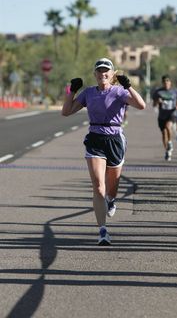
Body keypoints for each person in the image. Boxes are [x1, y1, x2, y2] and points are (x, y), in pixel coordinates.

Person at [62, 57, 146, 245]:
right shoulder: (89, 93)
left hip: (115, 139)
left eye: (106, 70)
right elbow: (66, 111)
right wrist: (72, 91)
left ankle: (112, 200)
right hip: (95, 138)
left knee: (112, 188)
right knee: (98, 185)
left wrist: (129, 86)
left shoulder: (119, 91)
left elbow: (141, 105)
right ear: (95, 74)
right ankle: (102, 230)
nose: (102, 73)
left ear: (112, 73)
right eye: (99, 70)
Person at [152, 75, 177, 161]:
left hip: (171, 113)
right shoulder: (158, 92)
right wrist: (157, 101)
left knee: (168, 127)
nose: (166, 83)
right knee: (164, 133)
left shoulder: (175, 91)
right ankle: (167, 150)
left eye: (168, 81)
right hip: (162, 115)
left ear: (170, 82)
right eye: (164, 81)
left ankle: (170, 142)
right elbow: (154, 104)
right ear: (162, 83)